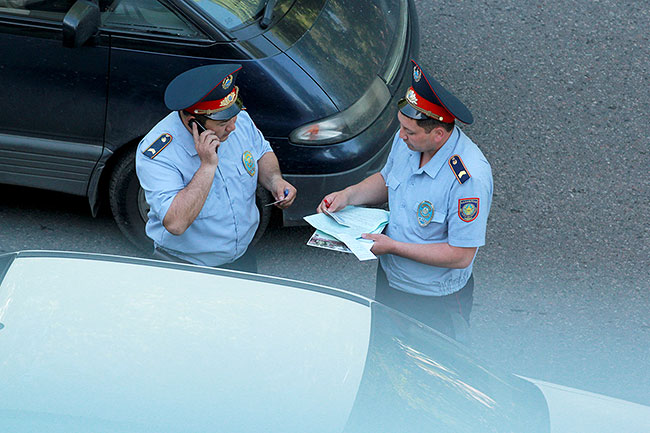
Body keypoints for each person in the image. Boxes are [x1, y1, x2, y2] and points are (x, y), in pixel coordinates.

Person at [318, 60, 492, 341]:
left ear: (437, 134)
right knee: (386, 354)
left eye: (409, 131)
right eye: (402, 127)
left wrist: (393, 247)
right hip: (391, 281)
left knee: (436, 370)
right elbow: (388, 180)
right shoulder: (409, 141)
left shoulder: (468, 179)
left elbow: (460, 255)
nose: (400, 136)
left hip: (435, 300)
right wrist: (348, 195)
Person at [136, 64, 296, 272]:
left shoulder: (237, 122)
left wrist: (275, 180)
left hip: (241, 255)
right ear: (194, 123)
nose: (232, 127)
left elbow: (261, 151)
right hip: (187, 266)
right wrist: (207, 166)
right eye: (222, 124)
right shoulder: (159, 153)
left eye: (233, 117)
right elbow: (176, 223)